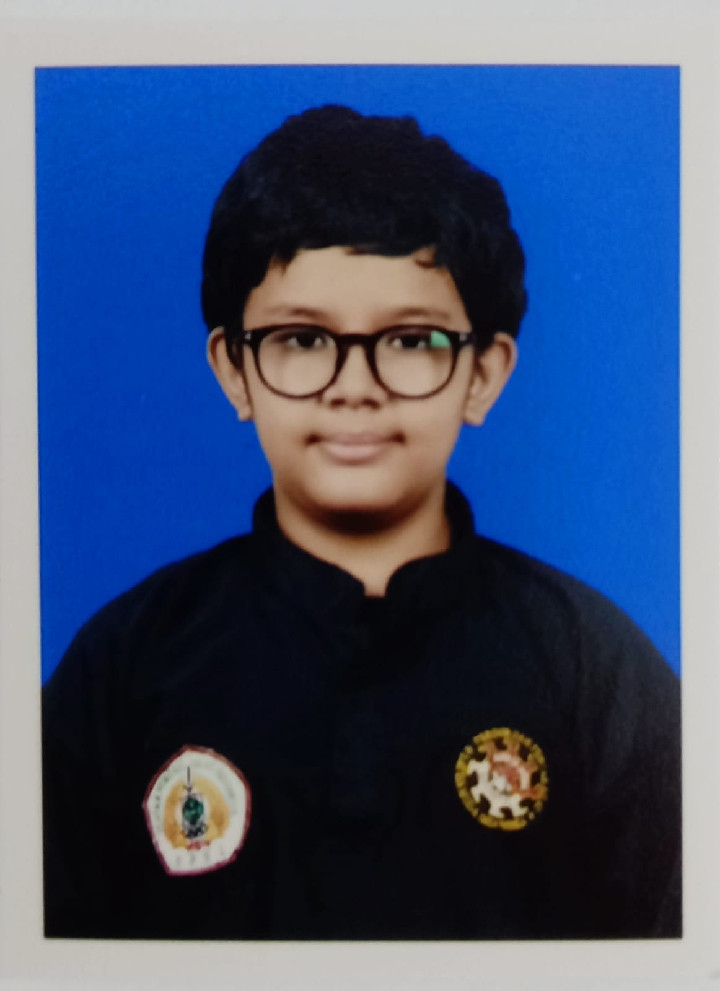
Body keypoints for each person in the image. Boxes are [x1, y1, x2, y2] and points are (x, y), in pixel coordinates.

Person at [42, 104, 681, 940]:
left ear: (483, 374)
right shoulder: (121, 672)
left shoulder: (598, 675)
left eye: (411, 341)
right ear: (234, 370)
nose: (354, 387)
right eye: (302, 339)